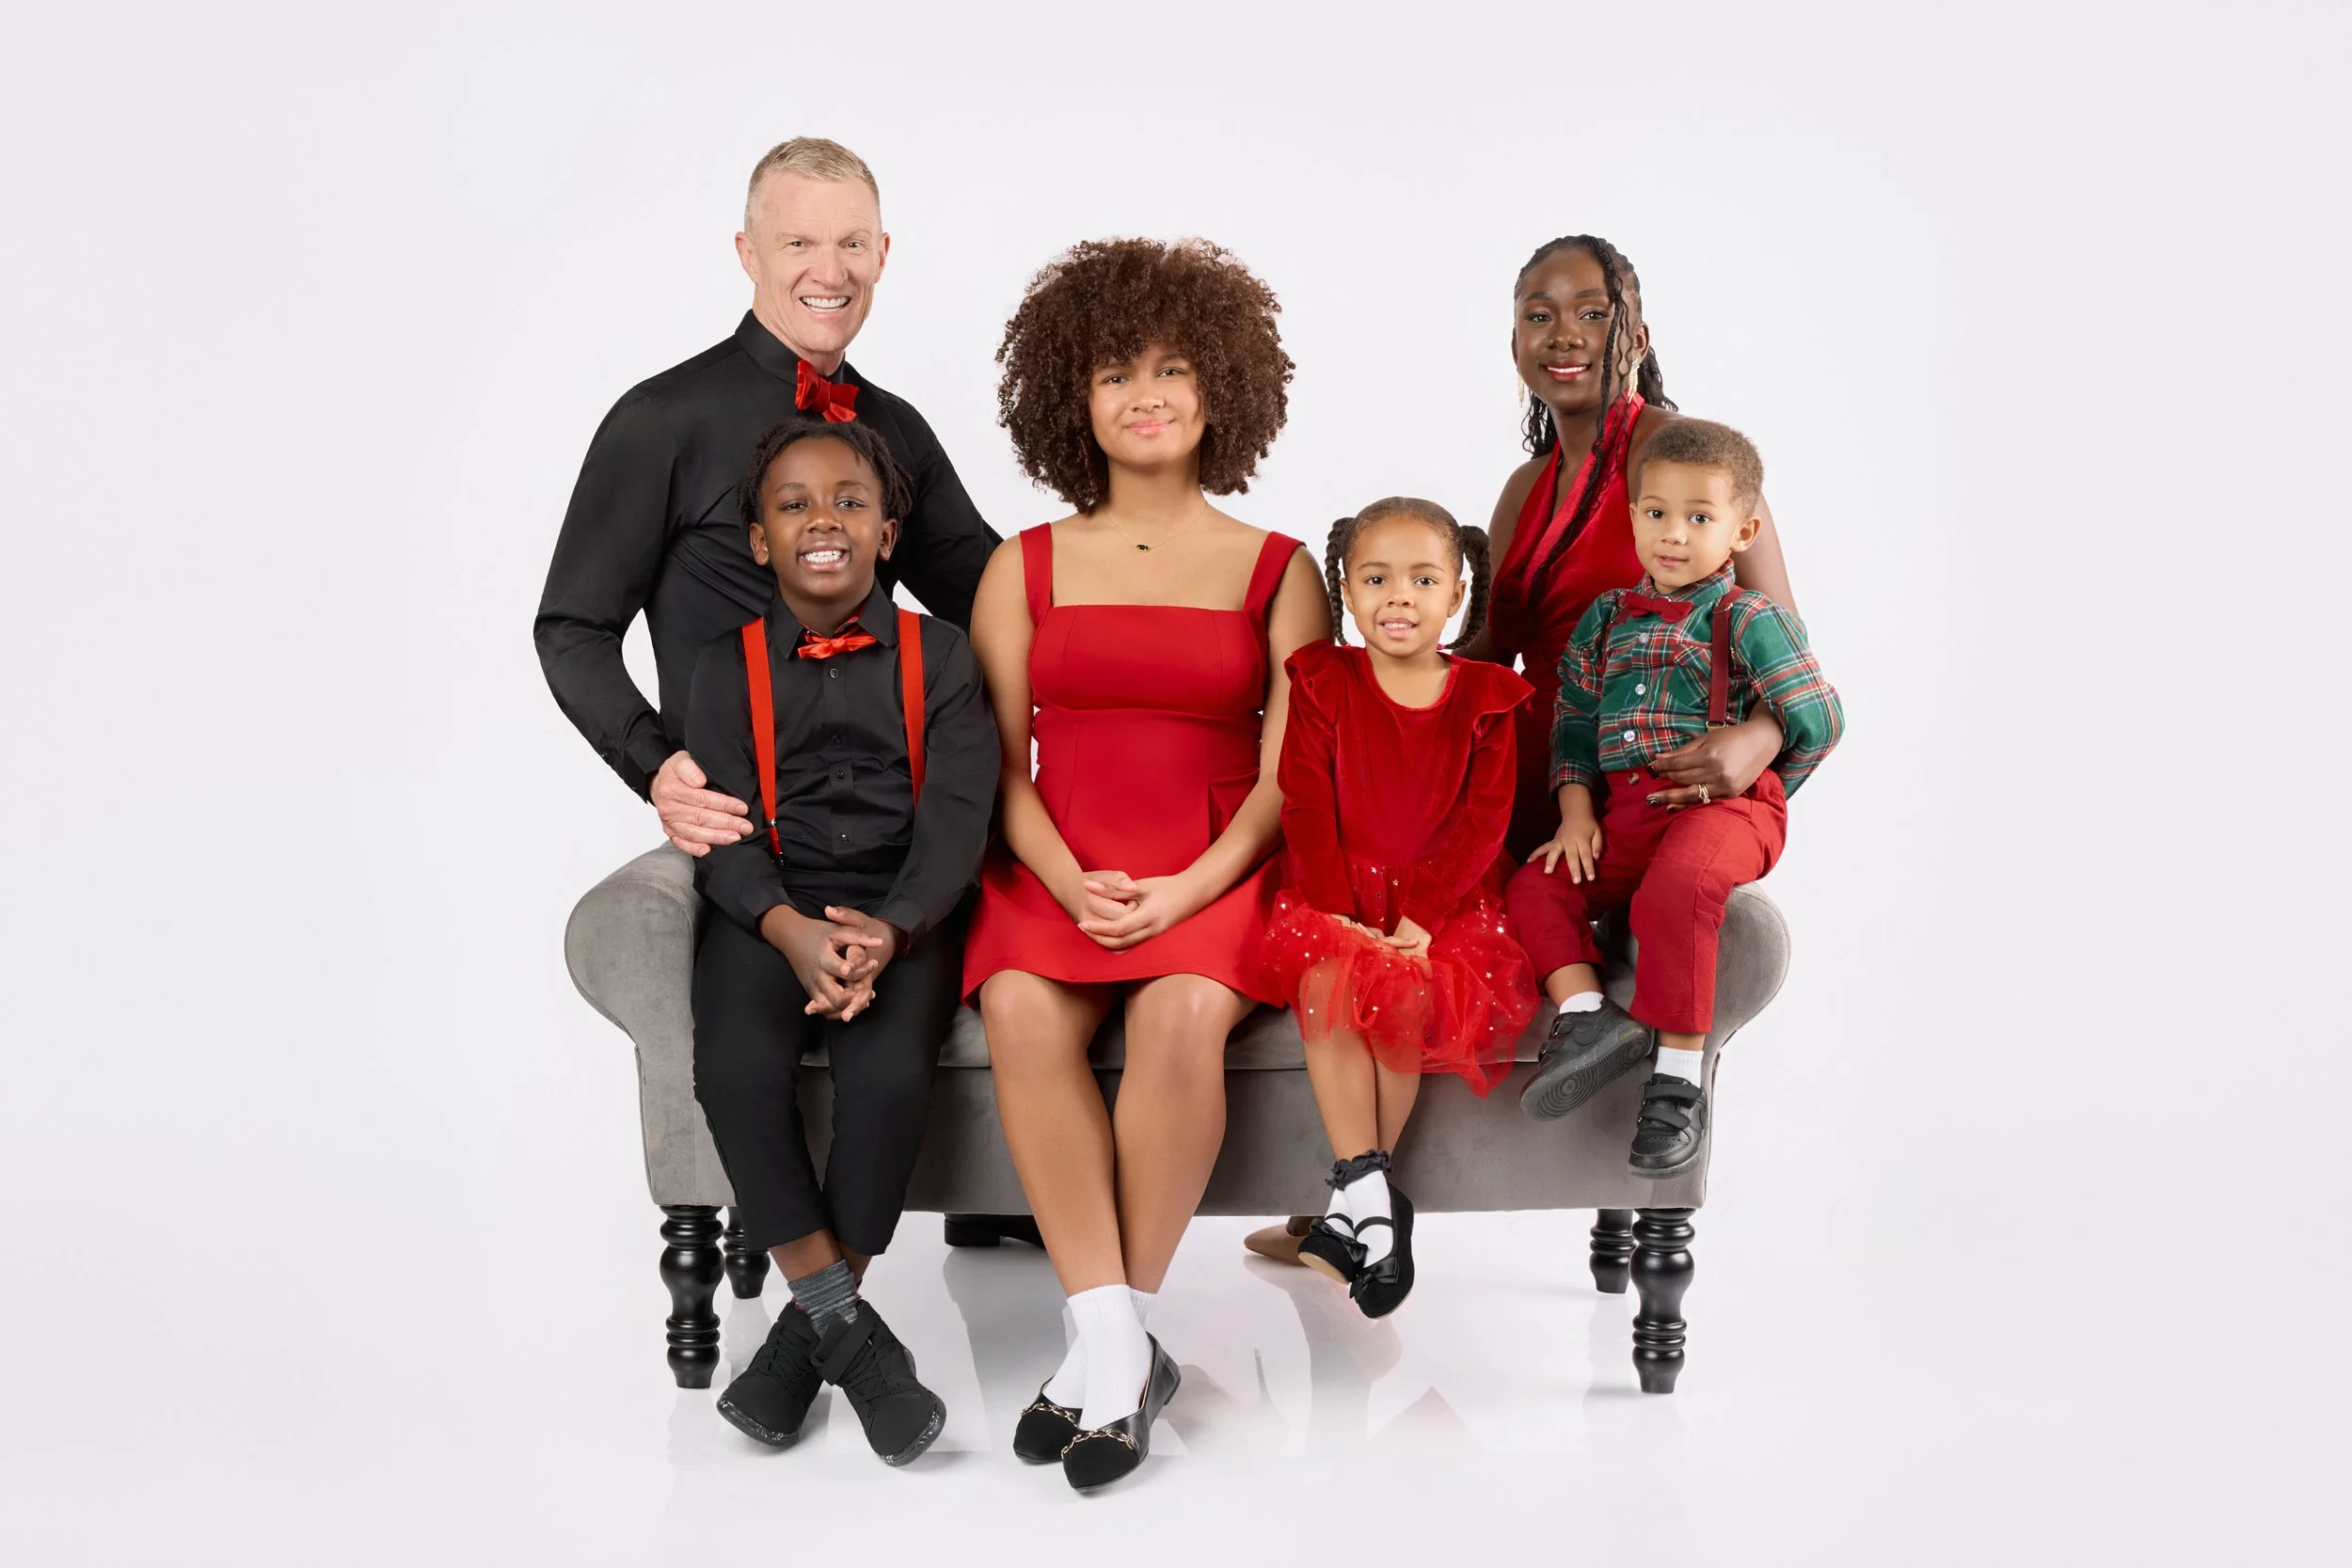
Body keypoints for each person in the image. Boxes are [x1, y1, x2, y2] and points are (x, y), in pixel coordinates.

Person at [1245, 233, 1810, 1266]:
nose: (1563, 335)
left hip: (1656, 781)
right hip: (1537, 777)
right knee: (1373, 895)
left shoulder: (1689, 460)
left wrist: (1760, 738)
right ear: (1512, 338)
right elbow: (1480, 653)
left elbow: (1785, 640)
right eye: (1537, 315)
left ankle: (1369, 1202)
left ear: (1636, 327)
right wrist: (1359, 704)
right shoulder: (1525, 485)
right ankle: (1356, 1194)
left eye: (1591, 311)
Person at [962, 238, 1327, 1489]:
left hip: (1217, 866)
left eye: (1173, 367)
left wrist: (1189, 887)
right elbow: (999, 768)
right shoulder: (1021, 563)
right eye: (1115, 372)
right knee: (1019, 1006)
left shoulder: (1282, 567)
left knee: (1179, 1017)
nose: (1146, 394)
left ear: (1222, 385)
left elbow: (1288, 775)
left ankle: (1102, 1354)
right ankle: (1118, 1345)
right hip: (1059, 858)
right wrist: (1066, 879)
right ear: (1074, 397)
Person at [535, 135, 996, 853]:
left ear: (881, 254)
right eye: (798, 243)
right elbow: (572, 627)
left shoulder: (899, 429)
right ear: (749, 254)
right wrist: (657, 768)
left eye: (851, 243)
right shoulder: (661, 420)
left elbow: (994, 596)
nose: (831, 271)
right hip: (748, 835)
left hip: (896, 831)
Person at [685, 420, 998, 1465]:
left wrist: (892, 930)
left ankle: (799, 1339)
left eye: (849, 501)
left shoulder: (943, 656)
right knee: (734, 1068)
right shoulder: (720, 667)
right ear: (760, 540)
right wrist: (787, 928)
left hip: (903, 912)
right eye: (794, 504)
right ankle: (858, 1345)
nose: (823, 519)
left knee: (892, 1079)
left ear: (887, 533)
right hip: (768, 906)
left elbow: (958, 819)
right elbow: (723, 833)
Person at [1508, 420, 1842, 1173]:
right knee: (1537, 884)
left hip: (1722, 807)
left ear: (1742, 531)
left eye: (1699, 517)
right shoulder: (1606, 618)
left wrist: (1758, 788)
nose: (1673, 533)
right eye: (1656, 512)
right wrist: (1576, 810)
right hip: (1625, 810)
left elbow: (1821, 718)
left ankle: (1677, 1082)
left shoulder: (1749, 618)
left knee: (1678, 888)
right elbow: (1574, 721)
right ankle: (1590, 1018)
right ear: (1633, 516)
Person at [1257, 498, 1536, 1320]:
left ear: (1457, 594)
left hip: (1438, 903)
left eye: (1422, 579)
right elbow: (1304, 798)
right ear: (1346, 590)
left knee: (1402, 996)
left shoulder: (1486, 696)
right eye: (1376, 580)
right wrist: (1334, 907)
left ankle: (1353, 1216)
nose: (1399, 597)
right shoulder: (1325, 679)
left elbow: (1485, 821)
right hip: (1336, 888)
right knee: (1328, 983)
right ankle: (1373, 1197)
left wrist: (1421, 915)